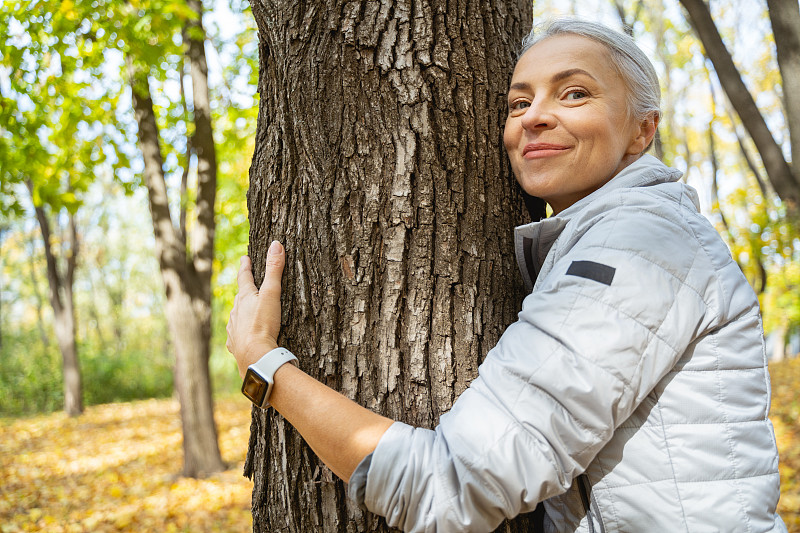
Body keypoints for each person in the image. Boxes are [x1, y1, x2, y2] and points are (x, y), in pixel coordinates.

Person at [227, 18, 786, 532]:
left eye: (575, 93)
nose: (535, 116)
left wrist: (264, 364)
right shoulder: (613, 239)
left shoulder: (639, 246)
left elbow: (450, 485)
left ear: (642, 132)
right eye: (519, 103)